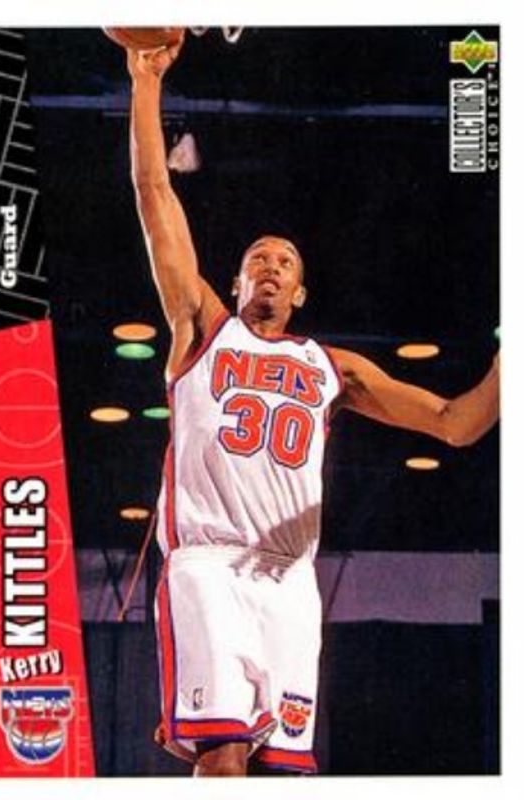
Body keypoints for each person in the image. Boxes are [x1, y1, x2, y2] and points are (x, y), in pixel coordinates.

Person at [126, 37, 499, 777]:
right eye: (256, 259)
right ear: (235, 283)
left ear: (299, 292)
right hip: (210, 565)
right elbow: (154, 192)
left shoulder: (332, 367)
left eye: (284, 261)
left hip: (291, 580)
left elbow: (456, 424)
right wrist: (145, 83)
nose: (270, 265)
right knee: (222, 755)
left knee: (283, 769)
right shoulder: (203, 327)